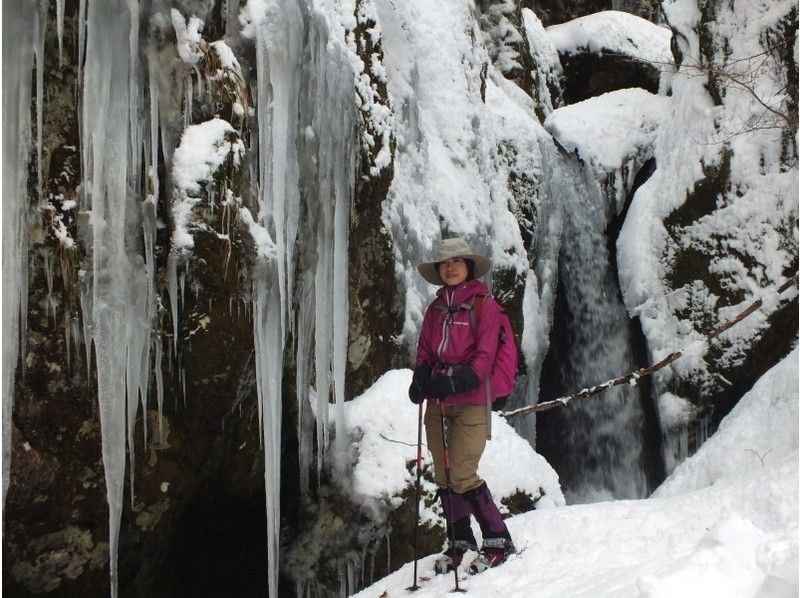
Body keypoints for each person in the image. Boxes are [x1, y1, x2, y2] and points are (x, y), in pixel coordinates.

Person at [408, 237, 515, 575]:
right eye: (444, 263)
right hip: (438, 401)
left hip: (471, 401)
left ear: (469, 266)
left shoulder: (485, 306)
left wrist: (457, 382)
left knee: (463, 473)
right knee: (444, 475)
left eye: (456, 261)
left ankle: (498, 540)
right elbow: (425, 351)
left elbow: (484, 358)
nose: (450, 267)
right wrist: (420, 377)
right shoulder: (435, 309)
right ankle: (460, 540)